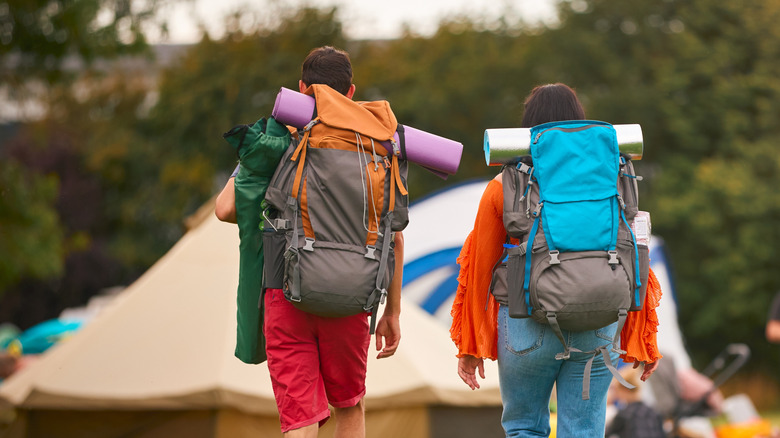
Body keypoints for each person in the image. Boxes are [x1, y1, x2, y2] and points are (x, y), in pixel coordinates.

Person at [450, 83, 662, 437]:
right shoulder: (614, 178)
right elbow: (635, 255)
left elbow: (479, 269)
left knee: (524, 427)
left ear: (529, 131)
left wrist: (471, 345)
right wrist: (642, 335)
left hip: (526, 322)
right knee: (583, 431)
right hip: (599, 320)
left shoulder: (503, 186)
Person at [216, 46, 404, 438]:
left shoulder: (281, 137)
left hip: (285, 294)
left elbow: (225, 209)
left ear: (301, 89)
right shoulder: (375, 145)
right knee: (349, 407)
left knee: (301, 418)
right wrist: (393, 313)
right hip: (352, 298)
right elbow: (395, 237)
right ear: (351, 92)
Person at [605, 366, 666, 438]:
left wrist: (608, 402)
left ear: (625, 389)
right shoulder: (653, 412)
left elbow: (604, 434)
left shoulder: (624, 415)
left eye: (617, 391)